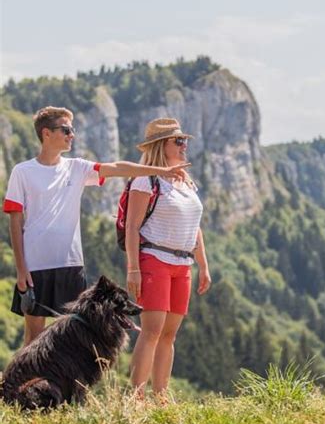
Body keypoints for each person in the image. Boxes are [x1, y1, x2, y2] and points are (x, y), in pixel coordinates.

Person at [2, 106, 190, 346]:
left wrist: (161, 170)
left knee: (68, 338)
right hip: (35, 265)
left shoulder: (77, 167)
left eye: (72, 130)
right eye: (66, 130)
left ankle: (61, 384)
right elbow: (15, 221)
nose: (72, 135)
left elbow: (118, 168)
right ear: (46, 133)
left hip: (71, 264)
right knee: (34, 336)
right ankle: (24, 383)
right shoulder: (22, 172)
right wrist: (21, 269)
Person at [126, 118, 211, 399]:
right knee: (151, 331)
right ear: (161, 145)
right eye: (178, 141)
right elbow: (132, 227)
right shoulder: (145, 180)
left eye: (184, 140)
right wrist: (133, 269)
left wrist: (203, 265)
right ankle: (136, 398)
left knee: (169, 335)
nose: (184, 145)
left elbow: (194, 226)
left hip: (182, 263)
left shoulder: (186, 181)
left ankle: (161, 397)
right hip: (154, 259)